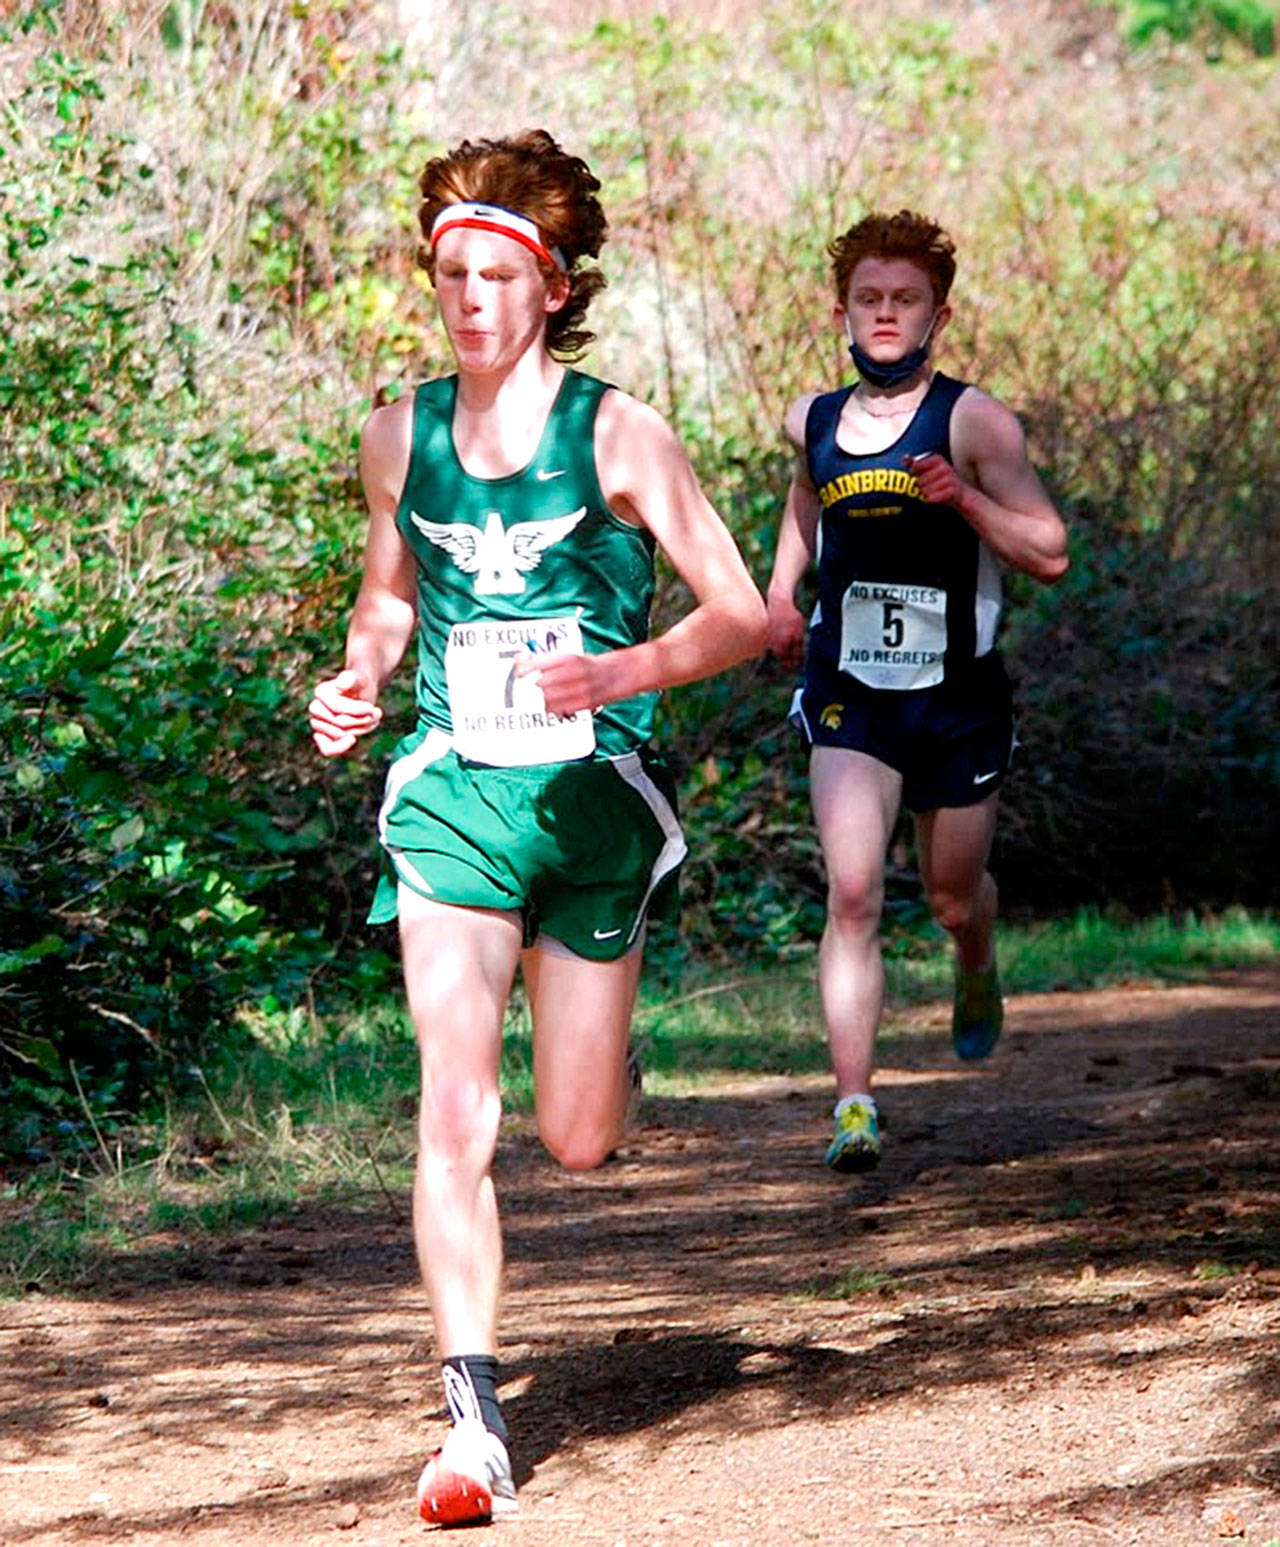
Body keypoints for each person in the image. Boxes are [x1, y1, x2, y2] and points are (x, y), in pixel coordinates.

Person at [308, 130, 766, 1526]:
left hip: (593, 802)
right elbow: (387, 596)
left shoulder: (620, 433)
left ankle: (607, 1044)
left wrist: (624, 669)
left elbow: (747, 613)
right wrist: (362, 677)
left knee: (575, 1136)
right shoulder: (400, 434)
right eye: (449, 272)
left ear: (553, 286)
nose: (470, 298)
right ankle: (472, 1424)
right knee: (455, 1105)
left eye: (497, 274)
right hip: (453, 795)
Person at [765, 209, 1068, 1176]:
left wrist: (967, 500)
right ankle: (855, 1101)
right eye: (869, 299)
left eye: (904, 300)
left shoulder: (976, 421)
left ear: (937, 312)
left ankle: (975, 952)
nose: (885, 315)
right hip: (852, 691)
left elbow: (1051, 552)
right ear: (842, 309)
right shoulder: (812, 419)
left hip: (958, 700)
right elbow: (806, 505)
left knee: (944, 895)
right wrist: (780, 593)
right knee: (852, 890)